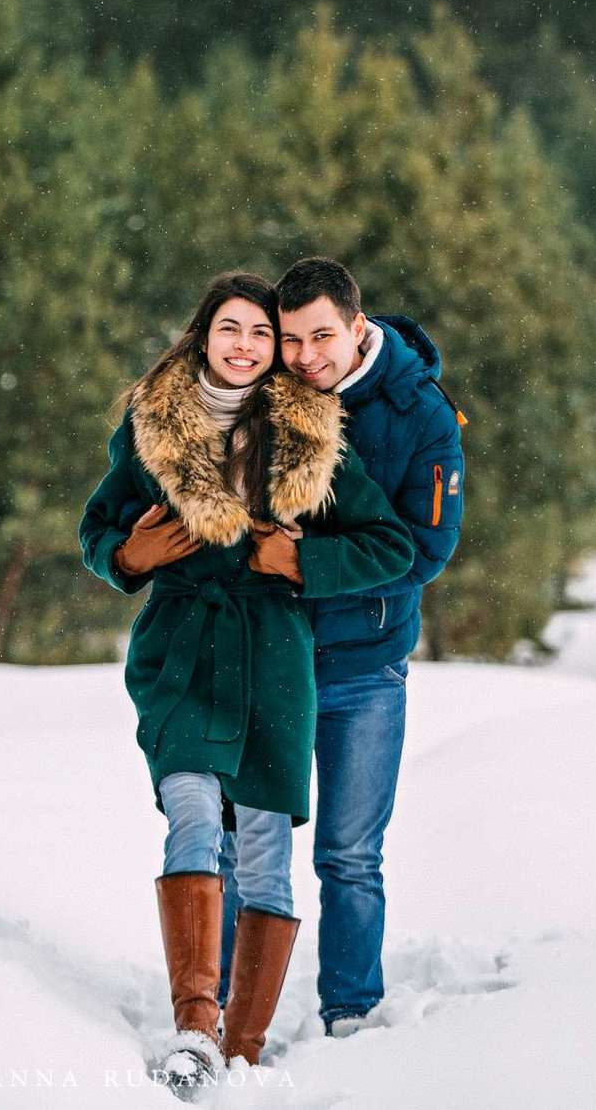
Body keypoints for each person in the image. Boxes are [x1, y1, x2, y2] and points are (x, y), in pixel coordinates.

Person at [79, 272, 415, 1095]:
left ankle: (245, 1044)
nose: (244, 345)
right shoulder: (151, 426)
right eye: (230, 328)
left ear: (276, 352)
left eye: (262, 335)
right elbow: (97, 526)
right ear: (203, 335)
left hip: (273, 655)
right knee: (191, 809)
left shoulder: (306, 435)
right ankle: (195, 1022)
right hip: (183, 650)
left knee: (265, 848)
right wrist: (130, 556)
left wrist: (301, 560)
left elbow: (391, 545)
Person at [218, 256, 465, 1037]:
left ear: (359, 328)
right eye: (291, 339)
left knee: (350, 854)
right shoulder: (271, 393)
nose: (306, 356)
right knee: (239, 843)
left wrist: (307, 565)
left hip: (365, 663)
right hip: (274, 655)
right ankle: (221, 1003)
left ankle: (350, 1007)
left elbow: (427, 549)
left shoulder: (419, 411)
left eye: (322, 335)